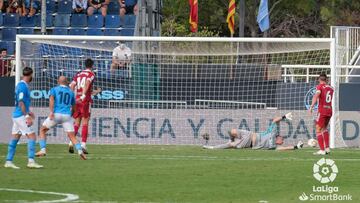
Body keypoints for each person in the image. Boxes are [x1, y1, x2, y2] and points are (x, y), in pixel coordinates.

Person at [35, 76, 87, 160]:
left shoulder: (54, 89)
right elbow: (74, 108)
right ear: (67, 82)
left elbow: (51, 101)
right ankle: (80, 152)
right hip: (66, 116)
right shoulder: (71, 92)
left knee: (42, 130)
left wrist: (51, 112)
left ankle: (43, 150)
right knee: (72, 136)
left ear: (58, 81)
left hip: (56, 114)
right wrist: (70, 116)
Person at [4, 67, 43, 169]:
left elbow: (21, 102)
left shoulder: (21, 85)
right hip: (20, 115)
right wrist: (26, 116)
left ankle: (8, 161)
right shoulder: (22, 86)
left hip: (17, 114)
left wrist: (29, 112)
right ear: (30, 75)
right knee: (32, 136)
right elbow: (20, 102)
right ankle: (31, 161)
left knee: (15, 137)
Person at [203, 112, 304, 151]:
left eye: (282, 142)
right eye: (282, 139)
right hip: (249, 134)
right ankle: (231, 140)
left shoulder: (274, 147)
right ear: (279, 137)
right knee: (231, 131)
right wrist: (284, 117)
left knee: (232, 145)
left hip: (249, 143)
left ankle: (212, 147)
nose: (283, 140)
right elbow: (275, 120)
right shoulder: (273, 132)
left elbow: (285, 148)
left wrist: (296, 147)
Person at [69, 58, 98, 154]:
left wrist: (72, 97)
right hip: (85, 100)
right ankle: (83, 145)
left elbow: (72, 86)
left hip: (77, 100)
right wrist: (84, 95)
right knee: (85, 121)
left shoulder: (78, 74)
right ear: (92, 66)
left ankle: (71, 142)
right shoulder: (91, 74)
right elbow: (87, 83)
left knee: (77, 122)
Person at [309, 73, 334, 155]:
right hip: (329, 110)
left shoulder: (319, 86)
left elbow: (316, 96)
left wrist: (311, 106)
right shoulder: (331, 88)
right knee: (324, 129)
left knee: (318, 129)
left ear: (319, 80)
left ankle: (322, 150)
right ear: (326, 80)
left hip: (322, 110)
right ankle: (327, 148)